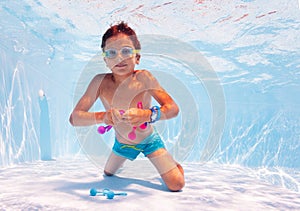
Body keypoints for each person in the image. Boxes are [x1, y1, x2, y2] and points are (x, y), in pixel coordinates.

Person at [69, 22, 185, 191]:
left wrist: (147, 115)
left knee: (176, 185)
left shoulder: (144, 78)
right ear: (105, 60)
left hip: (149, 141)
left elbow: (173, 108)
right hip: (122, 144)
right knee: (108, 173)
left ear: (137, 57)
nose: (119, 58)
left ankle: (174, 165)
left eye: (126, 51)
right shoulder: (99, 82)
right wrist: (103, 117)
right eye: (112, 53)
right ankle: (130, 157)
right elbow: (75, 118)